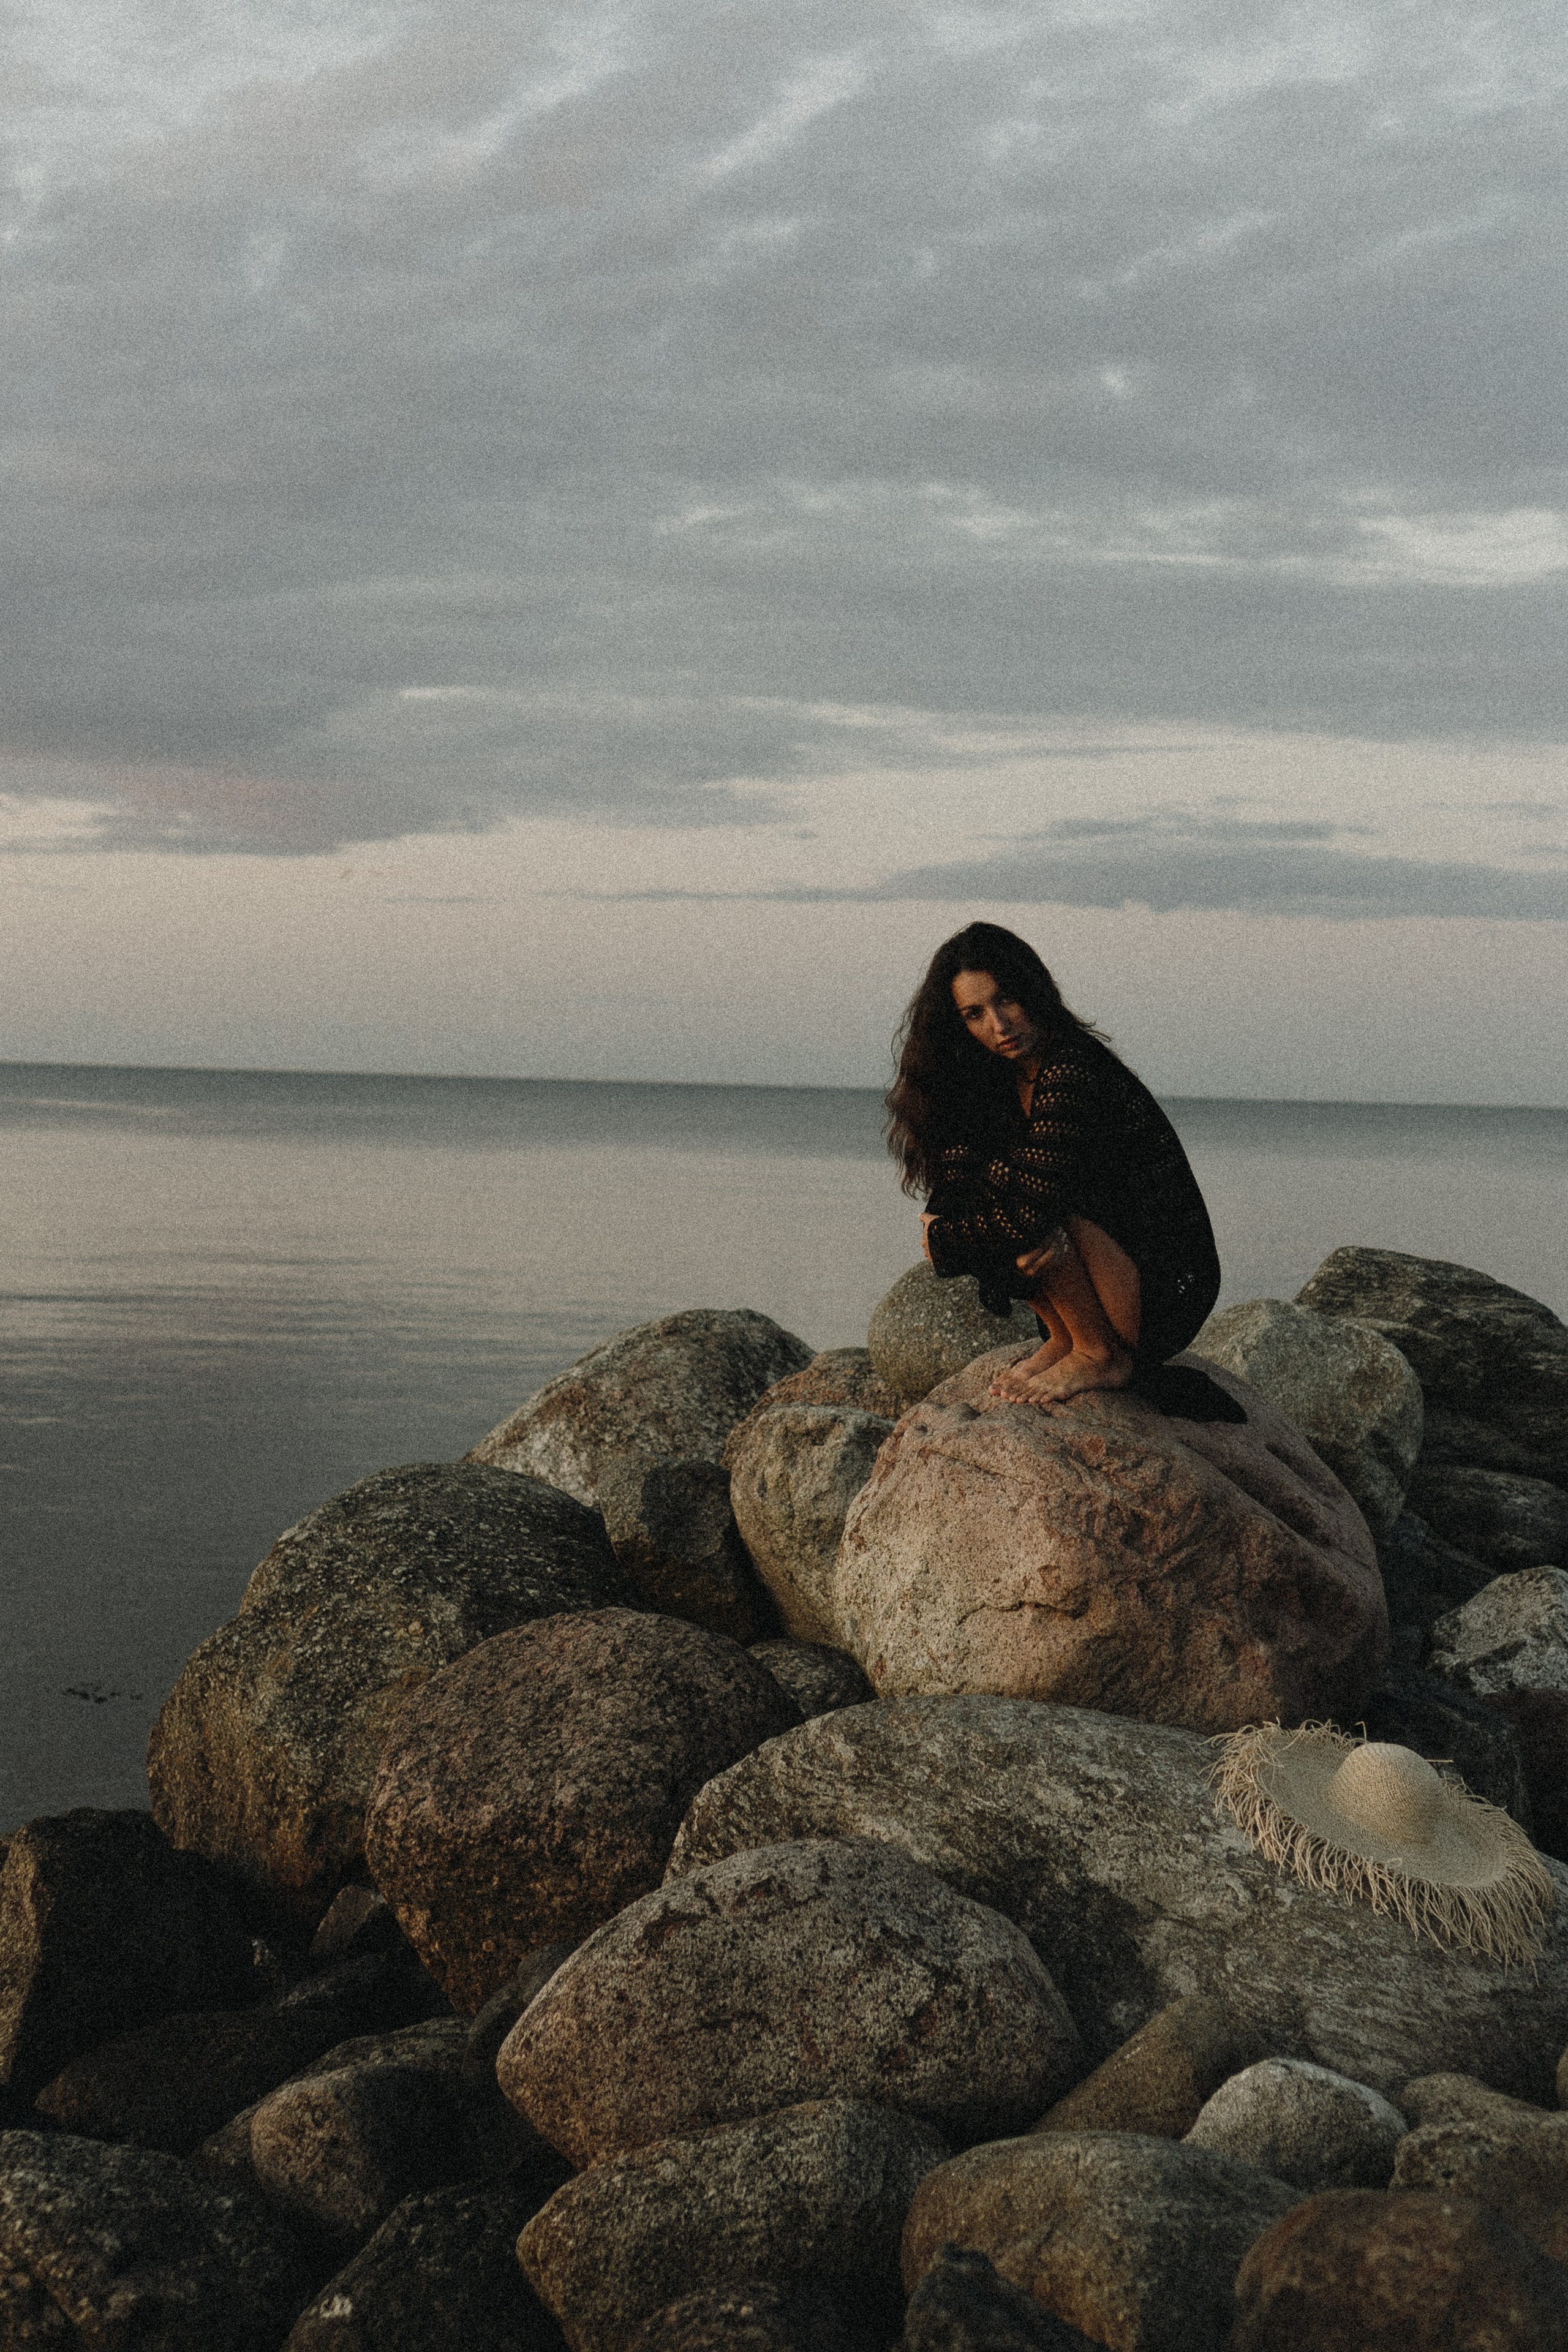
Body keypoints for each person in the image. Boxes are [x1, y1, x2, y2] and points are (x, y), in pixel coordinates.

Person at [886, 921, 1226, 1409]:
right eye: (975, 1013)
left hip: (1164, 1286)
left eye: (1006, 1000)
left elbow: (1030, 1212)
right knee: (1000, 1199)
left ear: (1033, 991)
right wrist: (945, 1220)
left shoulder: (1071, 1068)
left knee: (1034, 1215)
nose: (998, 1025)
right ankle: (1068, 1338)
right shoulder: (996, 1080)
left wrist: (943, 1239)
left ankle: (1098, 1351)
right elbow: (958, 1185)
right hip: (1106, 1269)